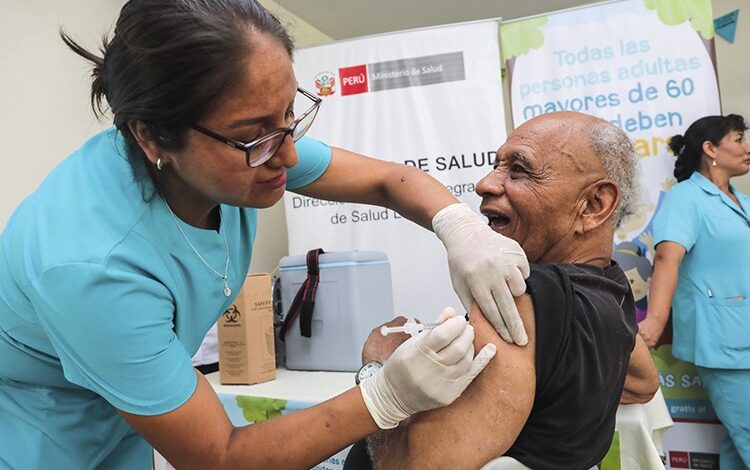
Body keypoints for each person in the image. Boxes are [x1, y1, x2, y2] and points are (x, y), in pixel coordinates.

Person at [0, 1, 535, 468]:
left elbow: (389, 181)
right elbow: (218, 457)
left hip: (126, 405)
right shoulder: (90, 264)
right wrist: (385, 396)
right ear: (151, 135)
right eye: (254, 137)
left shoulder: (236, 155)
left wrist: (457, 225)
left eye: (289, 116)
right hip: (37, 428)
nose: (290, 156)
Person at [346, 111, 659, 470]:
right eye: (496, 165)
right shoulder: (609, 289)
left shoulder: (517, 297)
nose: (484, 183)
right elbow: (643, 383)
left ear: (593, 205)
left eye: (519, 170)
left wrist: (381, 367)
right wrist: (552, 387)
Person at [638, 114, 750, 469]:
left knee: (737, 439)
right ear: (710, 149)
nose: (747, 148)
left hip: (744, 332)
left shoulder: (741, 201)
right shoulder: (686, 197)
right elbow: (667, 257)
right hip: (723, 339)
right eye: (738, 139)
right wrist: (655, 321)